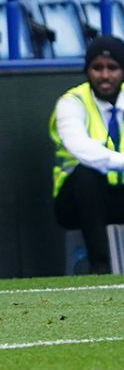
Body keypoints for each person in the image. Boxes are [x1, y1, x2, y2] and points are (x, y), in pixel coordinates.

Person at [51, 34, 124, 275]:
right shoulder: (71, 102)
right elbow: (79, 147)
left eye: (112, 67)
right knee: (87, 176)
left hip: (118, 196)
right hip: (76, 203)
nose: (104, 75)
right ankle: (100, 267)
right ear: (87, 70)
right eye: (97, 68)